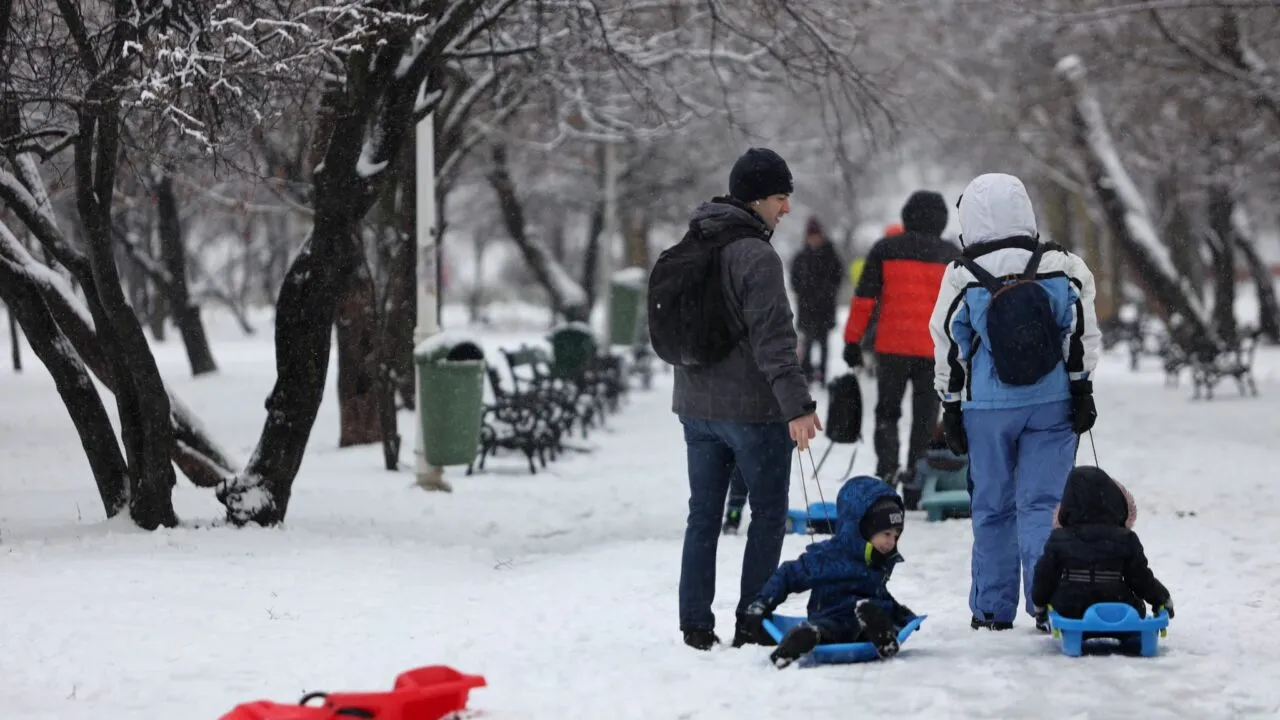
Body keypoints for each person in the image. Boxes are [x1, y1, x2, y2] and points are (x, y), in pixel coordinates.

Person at [928, 172, 1101, 630]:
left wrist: (950, 404)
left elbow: (949, 342)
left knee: (992, 506)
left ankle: (991, 608)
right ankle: (1049, 602)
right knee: (1045, 503)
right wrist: (1081, 386)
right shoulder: (1060, 265)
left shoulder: (962, 275)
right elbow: (1081, 330)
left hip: (986, 409)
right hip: (1052, 402)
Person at [672, 147, 823, 651]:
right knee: (768, 514)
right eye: (780, 198)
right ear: (757, 198)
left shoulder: (695, 242)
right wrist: (798, 406)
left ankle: (695, 624)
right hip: (752, 412)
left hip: (696, 407)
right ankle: (752, 618)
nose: (785, 209)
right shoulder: (755, 255)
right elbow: (774, 339)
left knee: (704, 516)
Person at [842, 192, 959, 507]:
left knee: (887, 412)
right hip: (934, 350)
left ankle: (888, 472)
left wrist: (852, 341)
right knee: (926, 417)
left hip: (892, 348)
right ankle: (916, 483)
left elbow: (864, 299)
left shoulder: (885, 249)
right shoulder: (951, 255)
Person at [741, 476, 915, 668]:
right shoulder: (828, 556)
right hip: (835, 614)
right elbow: (789, 574)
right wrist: (763, 602)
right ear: (865, 529)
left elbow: (881, 592)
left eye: (896, 535)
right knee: (838, 627)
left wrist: (903, 614)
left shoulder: (879, 558)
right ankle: (806, 637)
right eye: (886, 534)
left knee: (865, 618)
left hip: (849, 615)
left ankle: (873, 631)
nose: (891, 542)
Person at [1031, 466, 1173, 631]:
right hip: (1119, 607)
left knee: (1062, 596)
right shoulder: (1125, 539)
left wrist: (1040, 606)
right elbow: (1141, 579)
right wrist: (1161, 599)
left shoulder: (1059, 539)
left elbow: (1044, 575)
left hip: (1070, 609)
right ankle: (1130, 634)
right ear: (1115, 501)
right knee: (1134, 606)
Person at [790, 217, 845, 385]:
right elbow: (795, 281)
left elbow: (838, 277)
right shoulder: (801, 257)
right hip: (807, 309)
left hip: (825, 309)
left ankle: (822, 374)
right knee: (806, 344)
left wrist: (826, 292)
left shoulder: (830, 255)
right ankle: (806, 373)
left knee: (823, 344)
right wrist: (806, 292)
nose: (814, 240)